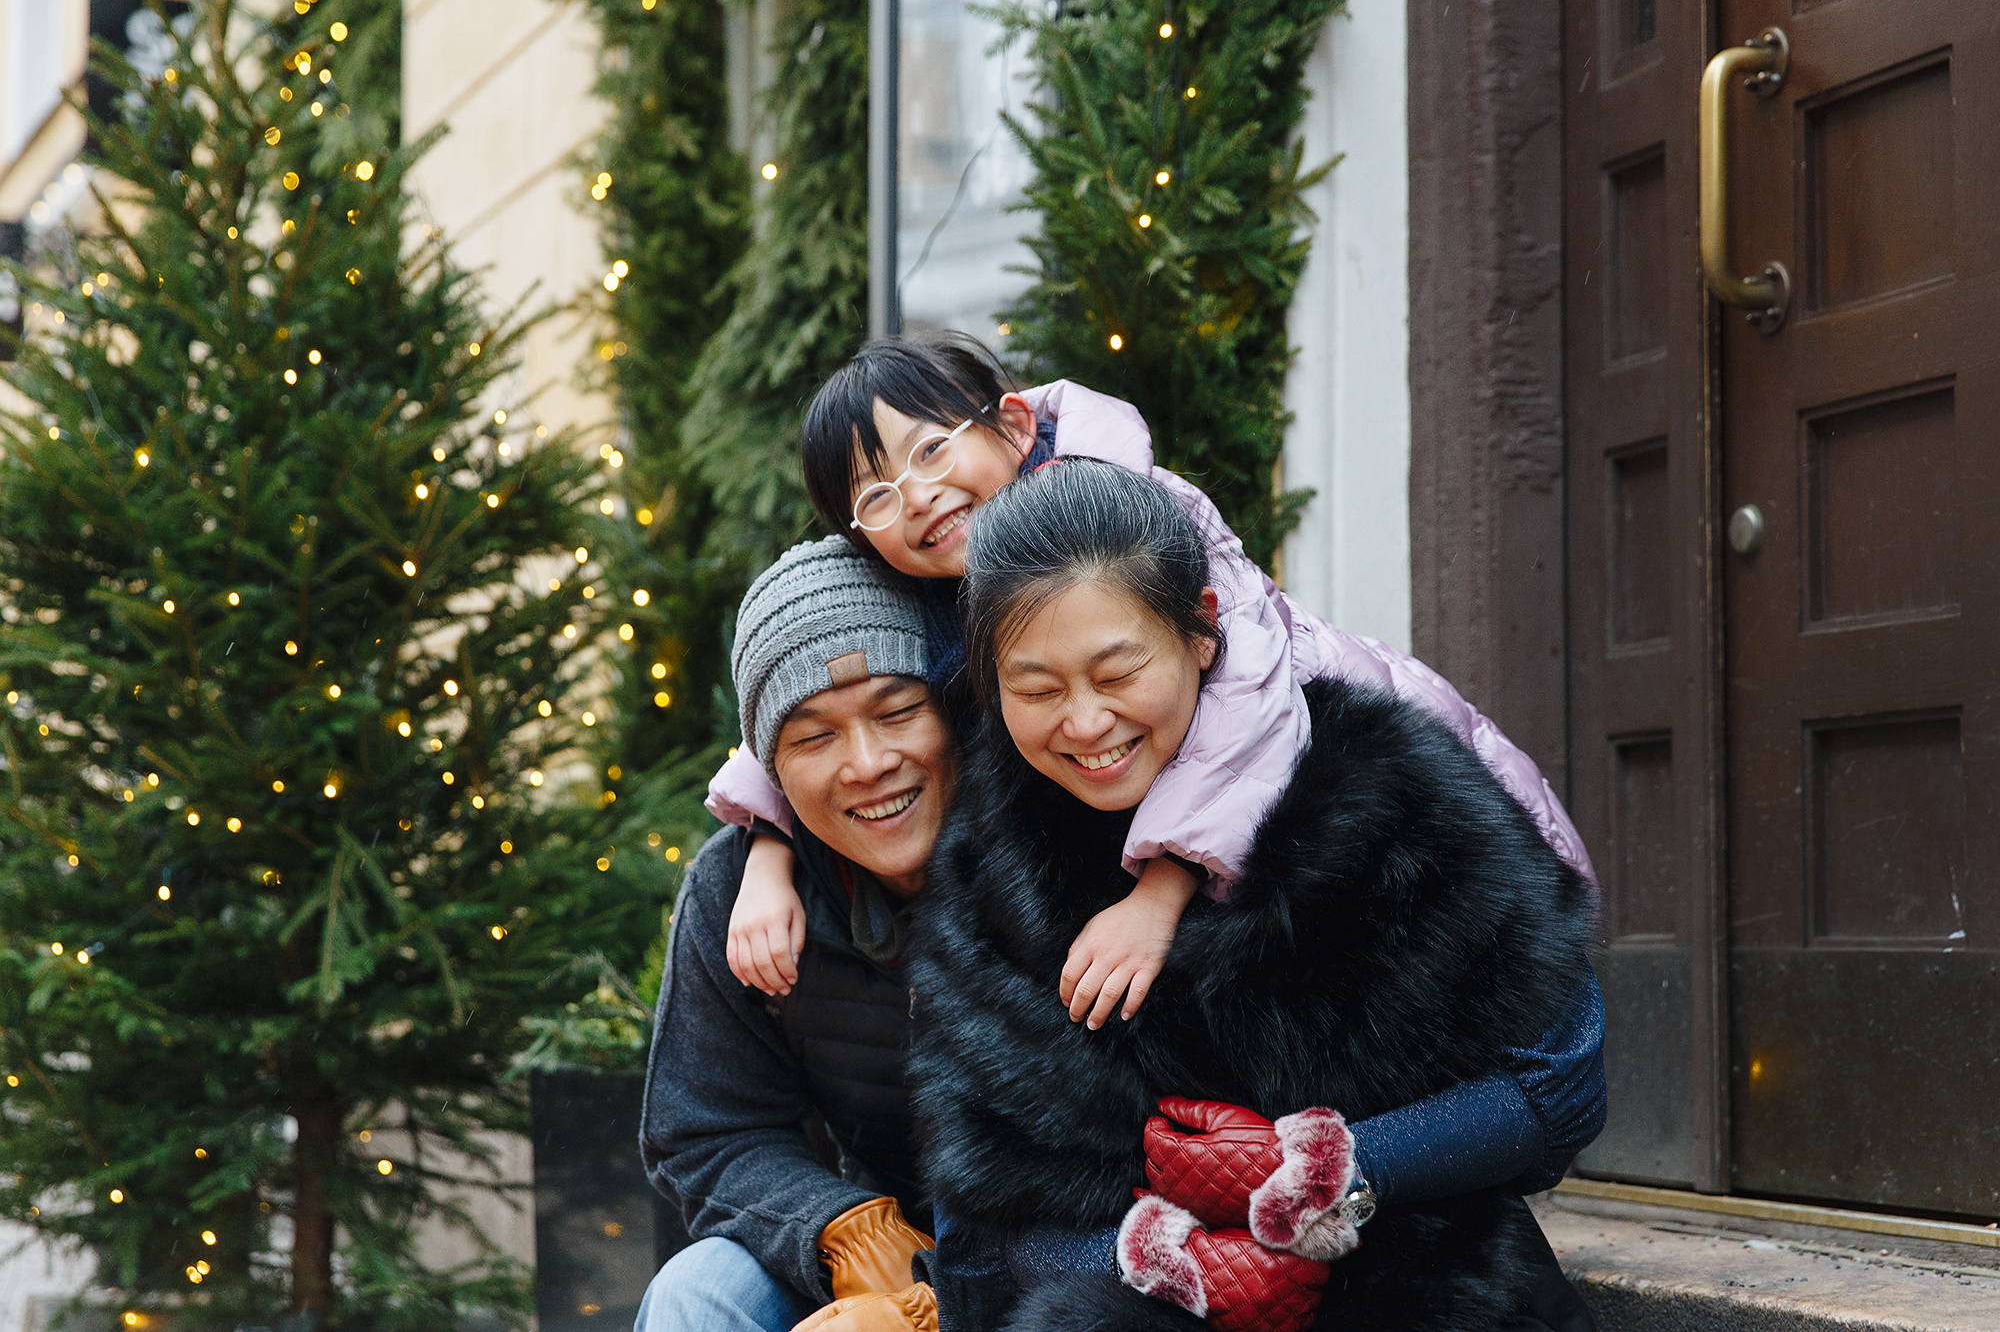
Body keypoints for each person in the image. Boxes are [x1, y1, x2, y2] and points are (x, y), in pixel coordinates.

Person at [711, 338, 1594, 1037]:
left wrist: (1160, 891)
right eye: (875, 496)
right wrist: (768, 852)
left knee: (1498, 965)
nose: (919, 496)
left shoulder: (1134, 518)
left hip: (1361, 757)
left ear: (1013, 426)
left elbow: (1248, 698)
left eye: (934, 448)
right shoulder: (942, 573)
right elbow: (798, 695)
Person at [905, 460, 1602, 1332]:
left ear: (1201, 631)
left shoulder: (1376, 780)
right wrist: (1172, 1259)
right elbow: (991, 1217)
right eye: (1037, 689)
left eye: (1117, 672)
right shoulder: (995, 865)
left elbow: (1559, 1085)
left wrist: (1327, 1167)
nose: (1084, 723)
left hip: (1418, 1271)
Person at [636, 538, 947, 1332]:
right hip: (868, 1233)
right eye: (814, 736)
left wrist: (939, 1299)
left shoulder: (1047, 851)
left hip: (1064, 1251)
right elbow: (709, 1127)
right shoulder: (732, 886)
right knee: (696, 1292)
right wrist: (845, 1229)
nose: (870, 762)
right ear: (770, 767)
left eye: (898, 709)